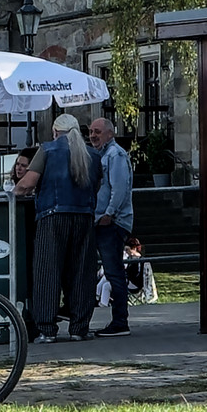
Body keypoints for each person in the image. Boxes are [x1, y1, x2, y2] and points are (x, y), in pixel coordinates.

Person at [16, 114, 103, 343]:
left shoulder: (47, 150)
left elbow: (27, 183)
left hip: (52, 216)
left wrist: (13, 194)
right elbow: (97, 185)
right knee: (82, 273)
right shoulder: (93, 155)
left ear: (55, 131)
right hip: (84, 216)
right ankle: (79, 328)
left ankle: (46, 329)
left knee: (47, 272)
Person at [89, 118, 135, 338]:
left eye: (97, 131)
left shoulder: (115, 155)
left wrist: (109, 214)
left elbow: (120, 187)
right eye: (90, 132)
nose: (92, 135)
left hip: (112, 222)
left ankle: (120, 322)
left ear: (109, 133)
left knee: (113, 272)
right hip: (102, 220)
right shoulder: (101, 155)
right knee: (109, 271)